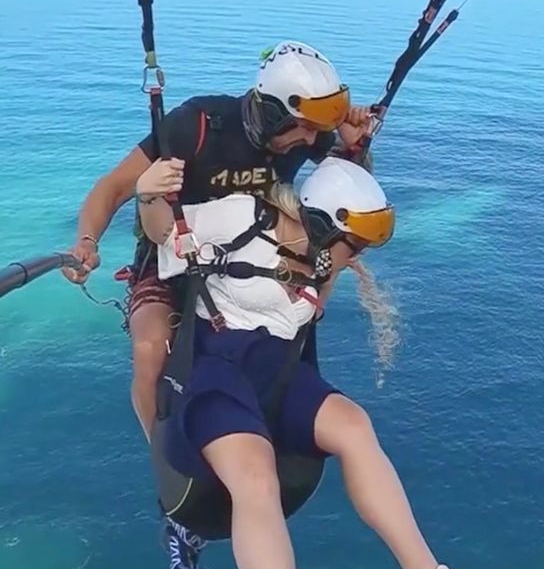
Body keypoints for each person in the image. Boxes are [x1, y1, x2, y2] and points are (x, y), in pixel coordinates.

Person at [135, 155, 473, 569]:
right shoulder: (244, 216)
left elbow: (307, 315)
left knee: (354, 426)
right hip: (217, 371)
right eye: (352, 246)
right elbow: (166, 231)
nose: (355, 259)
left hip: (278, 371)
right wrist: (148, 193)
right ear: (323, 224)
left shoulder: (323, 261)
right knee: (257, 478)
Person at [63, 41, 372, 437]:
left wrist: (354, 144)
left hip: (255, 258)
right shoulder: (198, 124)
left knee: (291, 337)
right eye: (306, 128)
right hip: (173, 254)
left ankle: (268, 420)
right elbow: (114, 187)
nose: (312, 141)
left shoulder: (307, 135)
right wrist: (87, 241)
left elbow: (346, 197)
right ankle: (162, 443)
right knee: (151, 348)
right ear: (273, 114)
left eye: (319, 131)